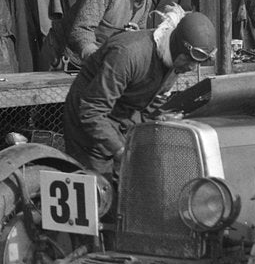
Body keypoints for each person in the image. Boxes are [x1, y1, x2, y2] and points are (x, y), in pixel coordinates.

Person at [62, 11, 217, 178]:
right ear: (176, 46)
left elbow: (153, 106)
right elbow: (92, 111)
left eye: (198, 63)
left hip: (122, 117)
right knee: (102, 192)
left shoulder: (175, 60)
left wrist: (160, 121)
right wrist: (121, 150)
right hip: (89, 125)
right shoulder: (127, 54)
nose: (192, 68)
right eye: (190, 60)